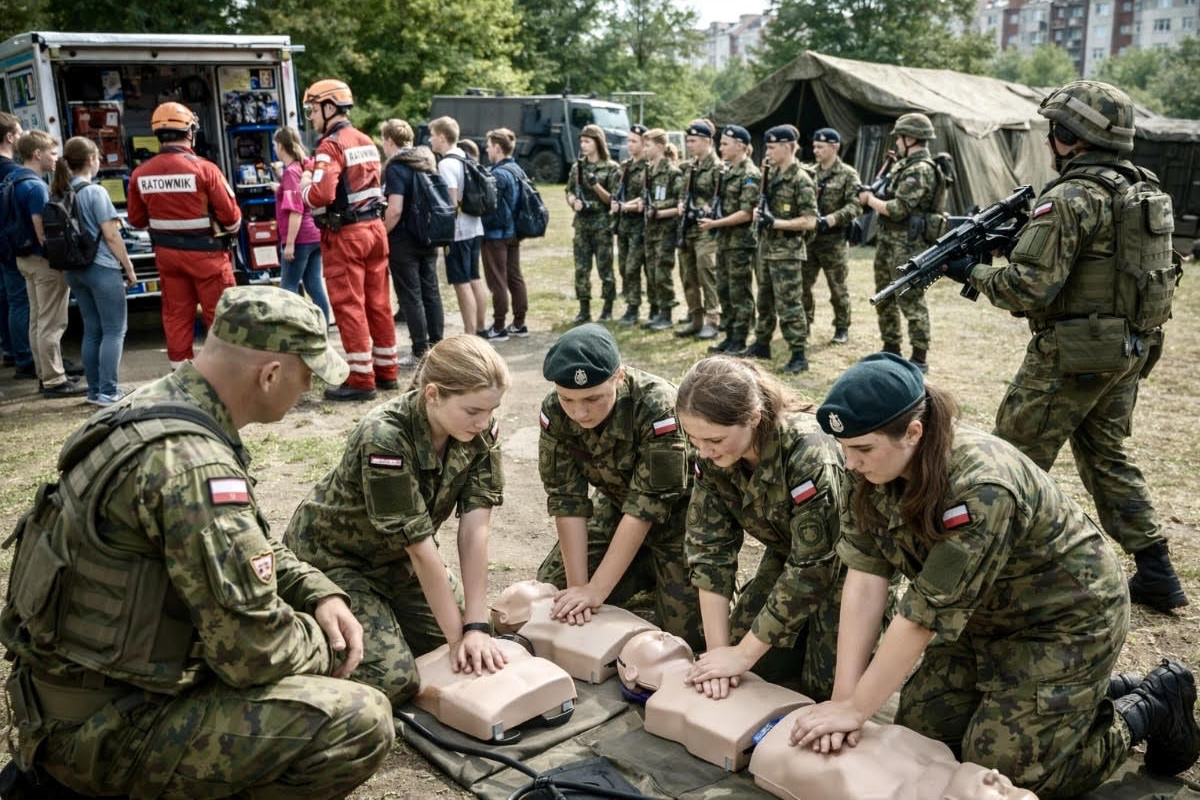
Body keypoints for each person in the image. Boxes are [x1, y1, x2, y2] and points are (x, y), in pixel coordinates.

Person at [0, 286, 394, 798]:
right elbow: (255, 654)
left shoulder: (157, 408)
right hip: (107, 728)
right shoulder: (193, 466)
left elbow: (249, 552)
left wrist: (318, 592)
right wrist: (327, 644)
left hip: (77, 699)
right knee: (360, 720)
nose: (310, 389)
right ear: (270, 374)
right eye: (308, 375)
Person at [787, 352, 1200, 798]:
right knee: (925, 734)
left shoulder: (979, 487)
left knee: (1008, 771)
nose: (849, 464)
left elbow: (922, 620)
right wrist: (846, 701)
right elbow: (866, 579)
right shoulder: (867, 465)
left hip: (1063, 621)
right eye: (846, 449)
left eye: (862, 449)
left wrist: (858, 711)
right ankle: (1074, 703)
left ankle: (1152, 703)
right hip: (979, 616)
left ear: (913, 432)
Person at [944, 80, 1189, 614]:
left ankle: (985, 581)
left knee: (1008, 462)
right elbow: (1099, 264)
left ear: (1067, 135)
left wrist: (973, 271)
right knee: (1107, 457)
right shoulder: (1140, 188)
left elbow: (1028, 288)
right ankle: (1157, 572)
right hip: (1128, 349)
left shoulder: (1071, 196)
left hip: (1073, 356)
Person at [284, 334, 511, 706]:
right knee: (393, 679)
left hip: (399, 562)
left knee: (476, 641)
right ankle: (303, 622)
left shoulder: (479, 432)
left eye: (492, 410)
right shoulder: (386, 437)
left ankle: (385, 618)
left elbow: (474, 531)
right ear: (433, 395)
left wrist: (475, 626)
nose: (484, 423)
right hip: (338, 564)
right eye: (473, 411)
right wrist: (458, 641)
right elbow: (421, 551)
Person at [675, 356, 854, 702]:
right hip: (789, 555)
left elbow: (815, 567)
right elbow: (709, 551)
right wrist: (720, 655)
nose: (704, 451)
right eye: (694, 439)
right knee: (745, 663)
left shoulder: (808, 451)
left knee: (825, 688)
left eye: (714, 439)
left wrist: (741, 655)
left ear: (754, 418)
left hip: (850, 569)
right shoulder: (712, 454)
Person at [535, 323, 703, 650]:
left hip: (680, 522)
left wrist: (597, 591)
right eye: (567, 398)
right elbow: (567, 500)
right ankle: (638, 568)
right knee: (553, 594)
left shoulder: (658, 406)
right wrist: (579, 588)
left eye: (593, 398)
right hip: (615, 510)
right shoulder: (554, 411)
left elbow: (646, 508)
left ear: (619, 377)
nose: (579, 411)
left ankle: (651, 570)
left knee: (690, 636)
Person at [300, 79, 398, 401]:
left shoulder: (331, 146)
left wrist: (303, 186)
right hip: (374, 230)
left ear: (330, 108)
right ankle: (387, 372)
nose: (311, 117)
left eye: (314, 110)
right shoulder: (365, 140)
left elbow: (321, 194)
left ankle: (360, 379)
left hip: (347, 236)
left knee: (349, 306)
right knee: (379, 303)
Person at [128, 102, 241, 371]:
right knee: (220, 313)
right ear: (190, 131)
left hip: (167, 257)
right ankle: (224, 371)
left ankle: (180, 373)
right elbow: (232, 217)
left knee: (176, 314)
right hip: (208, 256)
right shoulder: (205, 169)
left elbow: (136, 219)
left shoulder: (140, 173)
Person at [52, 136, 138, 405]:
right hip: (102, 267)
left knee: (92, 329)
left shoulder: (58, 191)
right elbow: (111, 235)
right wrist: (129, 267)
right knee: (114, 329)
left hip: (74, 269)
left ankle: (94, 390)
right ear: (91, 160)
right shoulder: (95, 192)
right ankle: (109, 391)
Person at [858, 112, 938, 371]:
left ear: (911, 138)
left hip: (908, 245)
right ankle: (891, 346)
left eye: (900, 138)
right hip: (889, 241)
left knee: (910, 298)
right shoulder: (902, 165)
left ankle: (919, 357)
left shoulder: (920, 169)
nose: (897, 143)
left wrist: (870, 200)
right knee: (885, 295)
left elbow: (898, 209)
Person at [13, 130, 85, 398]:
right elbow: (44, 232)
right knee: (52, 322)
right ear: (37, 154)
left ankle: (44, 373)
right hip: (43, 262)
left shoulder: (13, 180)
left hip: (23, 259)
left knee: (37, 320)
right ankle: (55, 380)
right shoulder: (35, 187)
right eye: (52, 153)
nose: (56, 158)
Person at [746, 125, 819, 374]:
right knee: (764, 300)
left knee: (789, 304)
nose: (767, 151)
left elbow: (810, 220)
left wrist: (776, 222)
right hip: (766, 249)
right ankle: (762, 343)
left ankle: (798, 353)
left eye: (772, 147)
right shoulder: (771, 175)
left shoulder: (801, 179)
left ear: (788, 147)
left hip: (787, 253)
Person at [380, 118, 444, 368]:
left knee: (410, 296)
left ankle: (420, 350)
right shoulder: (426, 161)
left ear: (389, 140)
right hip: (429, 235)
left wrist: (382, 232)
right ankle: (438, 346)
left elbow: (394, 209)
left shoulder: (397, 167)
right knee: (431, 292)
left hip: (403, 239)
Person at [698, 124, 760, 355]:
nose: (720, 148)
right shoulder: (727, 172)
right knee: (724, 289)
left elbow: (746, 212)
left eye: (725, 144)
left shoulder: (750, 174)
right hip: (725, 241)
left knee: (739, 292)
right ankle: (730, 336)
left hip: (740, 243)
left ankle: (740, 338)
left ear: (740, 146)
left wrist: (715, 224)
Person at [429, 116, 490, 339]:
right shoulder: (466, 157)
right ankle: (481, 327)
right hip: (475, 226)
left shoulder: (446, 164)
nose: (431, 140)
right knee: (475, 277)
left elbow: (451, 202)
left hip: (458, 231)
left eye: (433, 135)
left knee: (461, 281)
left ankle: (469, 333)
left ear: (443, 137)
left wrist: (441, 233)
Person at [801, 127, 861, 345]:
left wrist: (833, 219)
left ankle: (841, 327)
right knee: (802, 285)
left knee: (837, 286)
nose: (815, 150)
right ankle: (804, 323)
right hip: (809, 240)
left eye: (820, 146)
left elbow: (855, 205)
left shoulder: (847, 174)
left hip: (834, 240)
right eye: (814, 146)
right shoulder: (809, 172)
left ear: (834, 147)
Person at [272, 125, 331, 324]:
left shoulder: (290, 172)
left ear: (280, 146)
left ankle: (292, 328)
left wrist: (289, 244)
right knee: (314, 284)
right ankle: (322, 325)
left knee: (288, 286)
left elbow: (296, 210)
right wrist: (280, 189)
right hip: (314, 235)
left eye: (275, 144)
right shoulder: (303, 166)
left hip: (299, 238)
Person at [566, 123, 618, 324]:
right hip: (582, 224)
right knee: (581, 268)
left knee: (605, 268)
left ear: (598, 143)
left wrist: (595, 185)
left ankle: (608, 307)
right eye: (581, 141)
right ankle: (584, 308)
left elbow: (611, 199)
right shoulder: (577, 167)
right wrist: (572, 201)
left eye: (587, 141)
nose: (583, 145)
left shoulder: (611, 168)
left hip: (602, 224)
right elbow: (569, 190)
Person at [674, 120, 722, 340]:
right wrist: (682, 204)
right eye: (687, 141)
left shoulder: (718, 168)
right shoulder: (690, 167)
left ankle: (713, 320)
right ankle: (695, 318)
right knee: (687, 274)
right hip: (688, 228)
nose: (689, 145)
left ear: (706, 141)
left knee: (706, 272)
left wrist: (706, 208)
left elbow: (721, 198)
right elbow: (684, 191)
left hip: (706, 228)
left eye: (693, 141)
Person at [480, 127, 529, 339]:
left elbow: (496, 210)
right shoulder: (517, 169)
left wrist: (482, 223)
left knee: (497, 280)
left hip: (496, 236)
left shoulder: (498, 174)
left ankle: (499, 326)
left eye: (489, 145)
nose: (486, 149)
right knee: (514, 277)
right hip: (513, 233)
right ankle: (519, 322)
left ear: (498, 148)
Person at [0, 112, 35, 381]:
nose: (24, 136)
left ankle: (12, 350)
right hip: (13, 246)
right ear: (10, 137)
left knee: (8, 300)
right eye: (20, 132)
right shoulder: (14, 173)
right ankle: (25, 357)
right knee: (21, 301)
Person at [640, 128, 681, 332]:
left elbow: (679, 203)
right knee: (652, 272)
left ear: (659, 146)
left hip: (665, 230)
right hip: (651, 230)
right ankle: (656, 310)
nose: (644, 149)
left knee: (662, 272)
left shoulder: (673, 172)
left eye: (647, 145)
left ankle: (666, 313)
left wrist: (659, 210)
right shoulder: (649, 171)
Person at [612, 124, 649, 326]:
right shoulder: (625, 166)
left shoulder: (647, 168)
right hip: (623, 225)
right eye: (628, 141)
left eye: (634, 141)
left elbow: (644, 197)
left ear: (645, 144)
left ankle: (634, 307)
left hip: (639, 226)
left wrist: (625, 206)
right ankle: (630, 301)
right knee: (624, 267)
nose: (630, 145)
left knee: (633, 267)